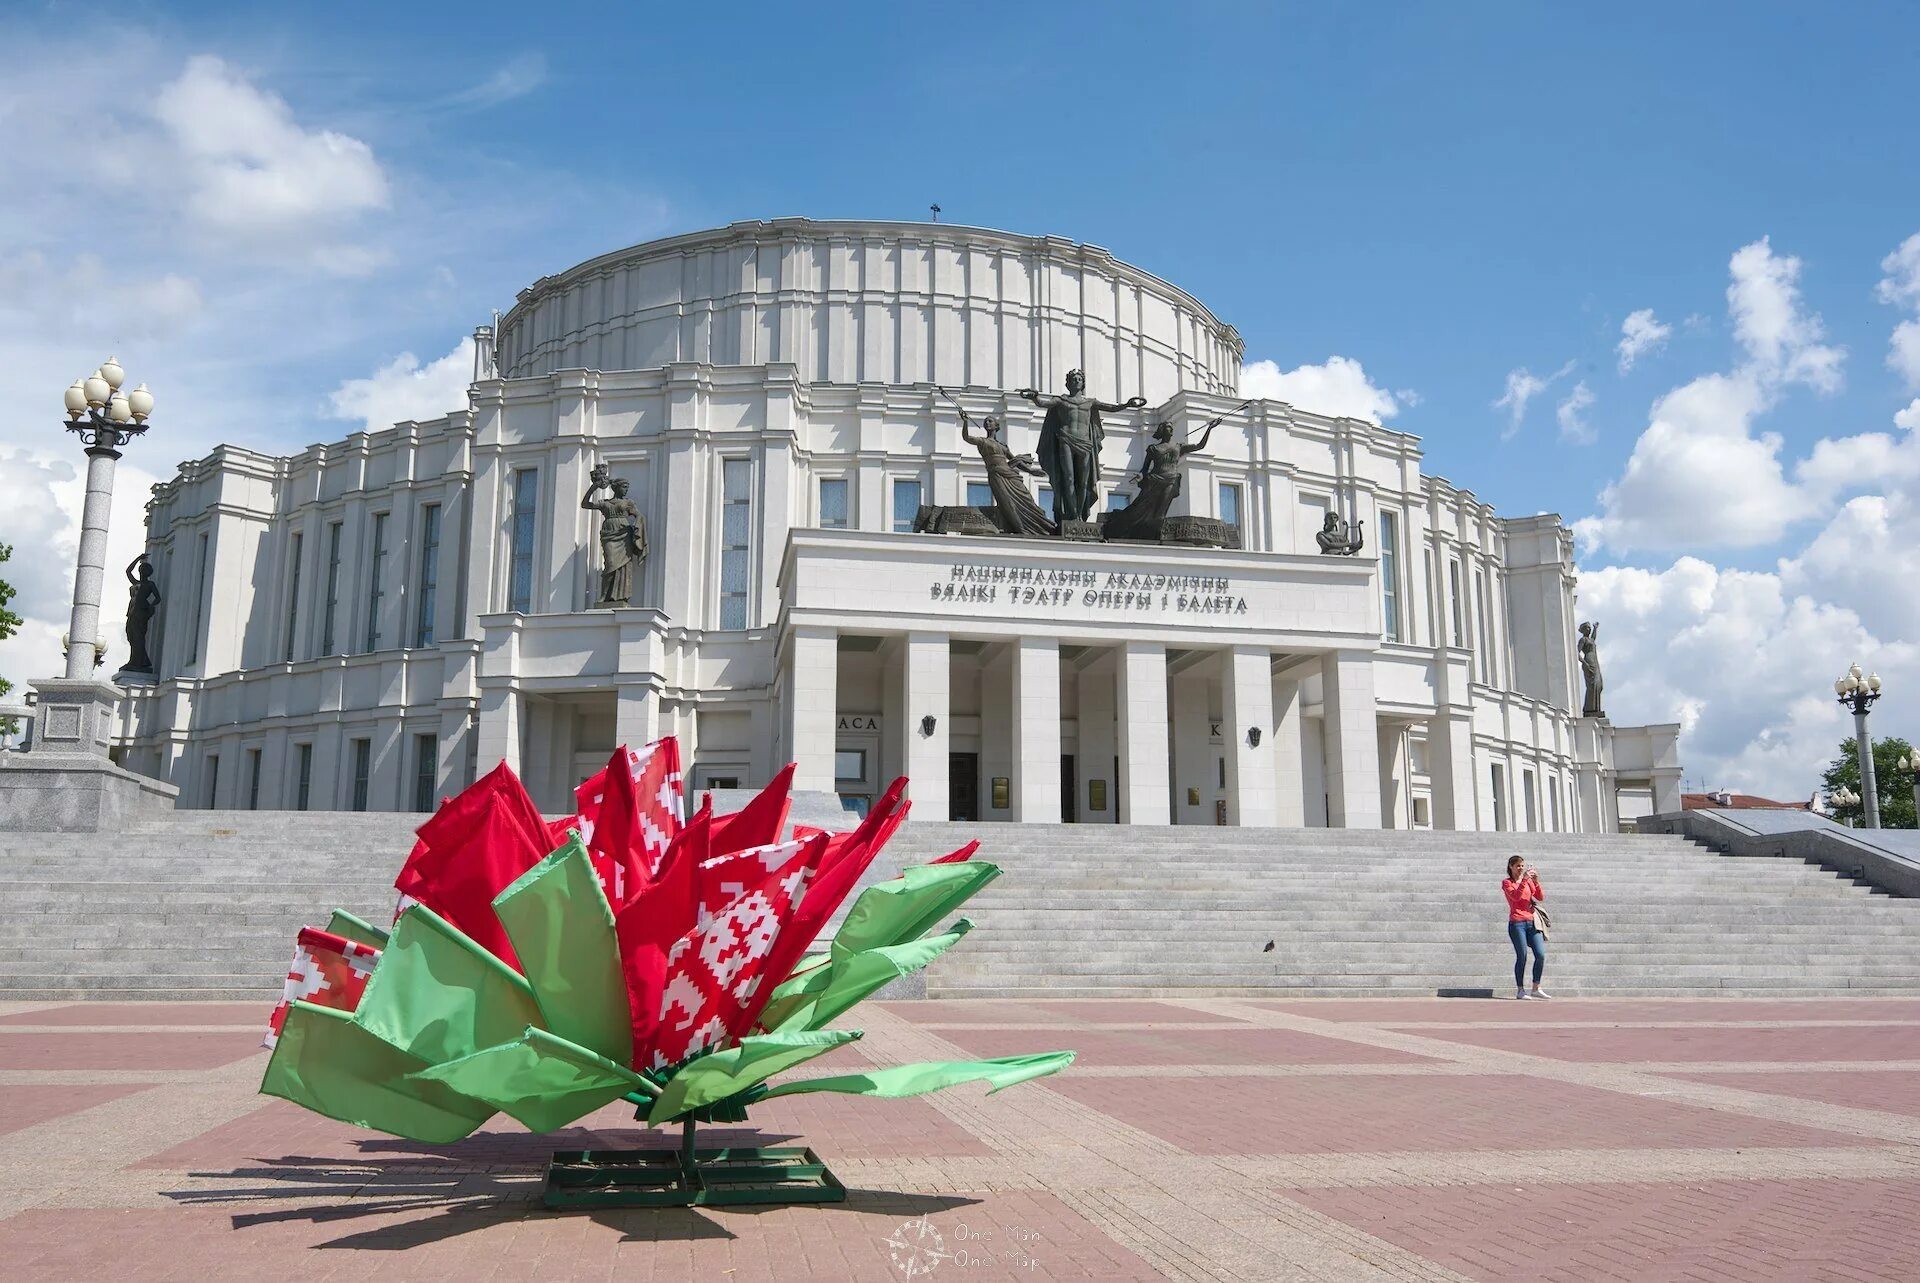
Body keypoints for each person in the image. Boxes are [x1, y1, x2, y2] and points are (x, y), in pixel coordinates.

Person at [1103, 415, 1224, 541]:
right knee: (1139, 509)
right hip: (1154, 481)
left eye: (1171, 428)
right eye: (1167, 427)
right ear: (1162, 431)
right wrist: (1140, 475)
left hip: (1170, 480)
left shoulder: (1178, 447)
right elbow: (1144, 468)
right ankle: (1124, 528)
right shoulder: (1153, 449)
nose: (1170, 430)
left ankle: (1154, 536)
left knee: (1160, 514)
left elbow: (1199, 446)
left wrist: (1209, 428)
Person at [950, 397, 1056, 536]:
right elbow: (967, 438)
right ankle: (1020, 528)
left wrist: (1031, 471)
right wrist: (965, 422)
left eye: (990, 421)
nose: (987, 423)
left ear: (996, 426)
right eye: (985, 421)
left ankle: (1040, 527)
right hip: (997, 475)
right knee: (1007, 502)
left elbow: (1015, 461)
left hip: (1010, 475)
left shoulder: (1003, 446)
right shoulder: (982, 442)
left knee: (1026, 499)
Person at [1502, 855, 1549, 999]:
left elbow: (1540, 897)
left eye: (1522, 866)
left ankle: (1536, 987)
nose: (1520, 868)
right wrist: (1524, 880)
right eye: (1517, 866)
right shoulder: (1507, 882)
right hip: (1517, 923)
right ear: (1511, 867)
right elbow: (1515, 897)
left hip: (1532, 921)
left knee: (1540, 954)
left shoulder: (1527, 881)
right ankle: (1520, 990)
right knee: (1522, 956)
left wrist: (1535, 881)